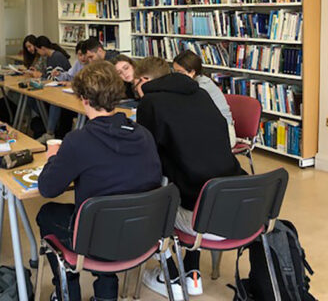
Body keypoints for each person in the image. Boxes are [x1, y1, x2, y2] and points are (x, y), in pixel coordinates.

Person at [37, 61, 162, 301]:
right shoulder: (144, 135)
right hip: (142, 234)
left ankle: (67, 292)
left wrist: (53, 158)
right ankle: (106, 294)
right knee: (109, 211)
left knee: (47, 213)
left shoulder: (78, 141)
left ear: (84, 99)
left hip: (97, 240)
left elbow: (48, 188)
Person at [133, 56, 241, 300]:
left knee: (147, 207)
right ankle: (193, 271)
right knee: (195, 189)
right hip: (239, 211)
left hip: (203, 220)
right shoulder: (200, 93)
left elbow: (148, 158)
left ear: (143, 80)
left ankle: (170, 275)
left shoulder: (150, 103)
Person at [172, 50, 237, 148]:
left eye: (179, 72)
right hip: (206, 128)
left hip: (224, 133)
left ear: (192, 72)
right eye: (174, 71)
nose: (175, 76)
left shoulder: (201, 87)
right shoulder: (190, 83)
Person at [38, 40, 88, 143]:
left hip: (84, 100)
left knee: (65, 112)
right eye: (79, 55)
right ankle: (52, 134)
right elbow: (69, 75)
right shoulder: (78, 63)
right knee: (57, 103)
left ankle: (57, 136)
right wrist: (59, 74)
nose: (82, 58)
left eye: (84, 55)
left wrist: (73, 84)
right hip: (74, 96)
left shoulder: (93, 65)